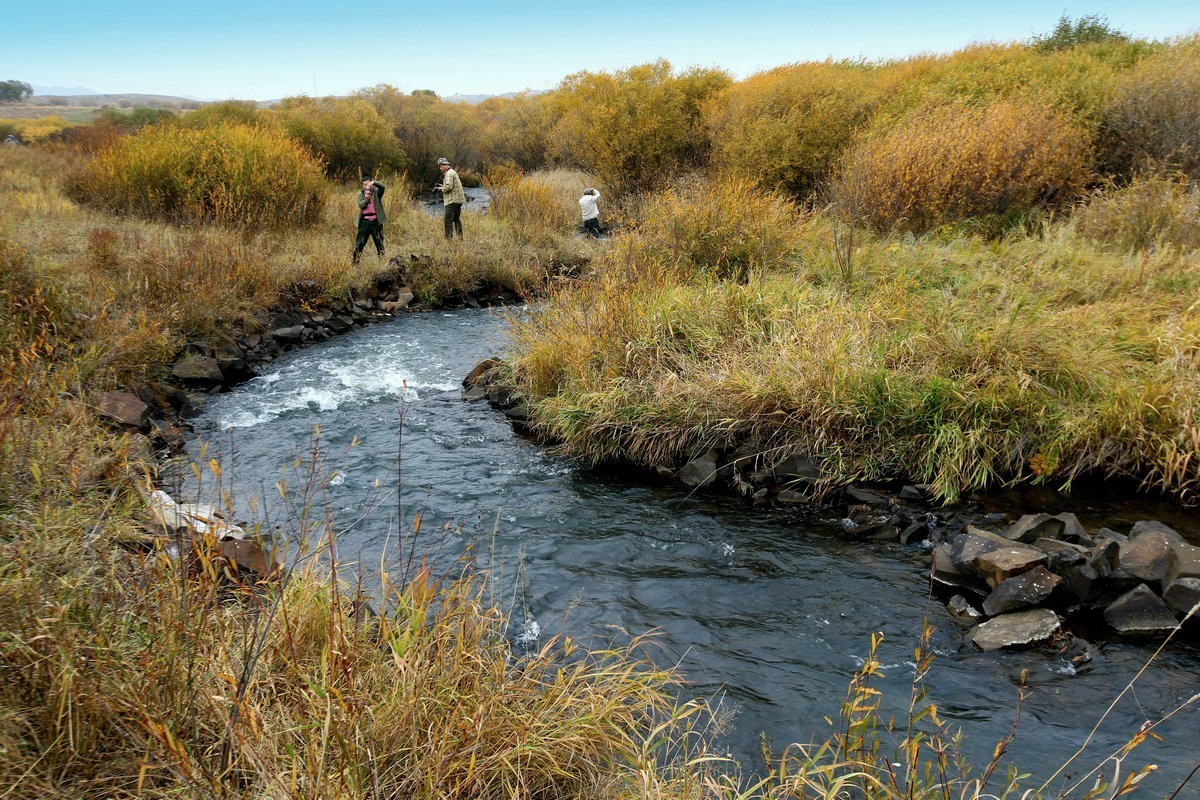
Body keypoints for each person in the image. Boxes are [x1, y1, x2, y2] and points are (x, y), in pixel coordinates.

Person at [353, 177, 387, 263]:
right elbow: (361, 205)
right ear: (362, 185)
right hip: (364, 222)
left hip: (376, 222)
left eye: (368, 184)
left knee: (379, 243)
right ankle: (355, 262)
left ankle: (382, 263)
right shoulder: (361, 194)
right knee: (359, 243)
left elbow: (383, 187)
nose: (366, 186)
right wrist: (366, 199)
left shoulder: (377, 193)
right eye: (364, 185)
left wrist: (374, 182)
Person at [434, 157, 465, 240]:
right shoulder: (452, 172)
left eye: (441, 166)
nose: (440, 168)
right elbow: (451, 185)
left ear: (445, 165)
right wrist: (441, 185)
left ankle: (448, 240)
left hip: (452, 201)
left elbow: (449, 187)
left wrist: (439, 189)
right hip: (458, 200)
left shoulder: (449, 174)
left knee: (448, 220)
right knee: (456, 219)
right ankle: (460, 238)